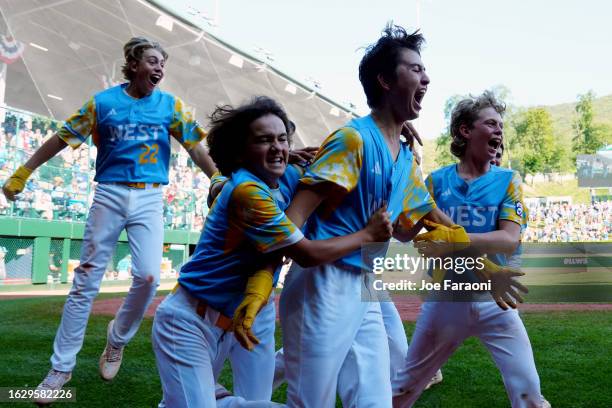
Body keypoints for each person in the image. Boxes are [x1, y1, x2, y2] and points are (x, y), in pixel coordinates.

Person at [2, 36, 216, 404]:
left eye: (163, 62)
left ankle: (116, 340)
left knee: (149, 276)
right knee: (86, 280)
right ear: (133, 64)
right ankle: (60, 368)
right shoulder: (102, 103)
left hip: (150, 193)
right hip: (110, 191)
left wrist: (217, 176)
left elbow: (196, 146)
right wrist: (25, 170)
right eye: (152, 60)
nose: (159, 67)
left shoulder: (171, 105)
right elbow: (61, 137)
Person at [275, 24, 474, 407]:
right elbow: (294, 219)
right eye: (415, 69)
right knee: (310, 403)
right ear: (384, 80)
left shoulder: (403, 159)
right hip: (323, 282)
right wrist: (263, 275)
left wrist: (480, 262)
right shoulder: (353, 140)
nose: (426, 77)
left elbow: (409, 229)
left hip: (365, 281)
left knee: (374, 400)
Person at [152, 96, 393, 407]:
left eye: (282, 139)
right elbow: (305, 254)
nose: (278, 148)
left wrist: (393, 125)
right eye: (264, 140)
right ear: (240, 151)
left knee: (254, 399)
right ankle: (214, 398)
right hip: (191, 320)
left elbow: (344, 149)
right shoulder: (247, 191)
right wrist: (367, 235)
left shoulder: (288, 177)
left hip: (254, 313)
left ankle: (210, 397)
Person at [392, 91, 549, 408]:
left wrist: (453, 240)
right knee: (403, 391)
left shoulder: (508, 180)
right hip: (446, 301)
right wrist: (400, 185)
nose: (499, 131)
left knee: (530, 395)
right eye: (491, 123)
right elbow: (405, 232)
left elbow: (509, 239)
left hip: (496, 301)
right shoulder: (435, 181)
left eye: (500, 126)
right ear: (465, 131)